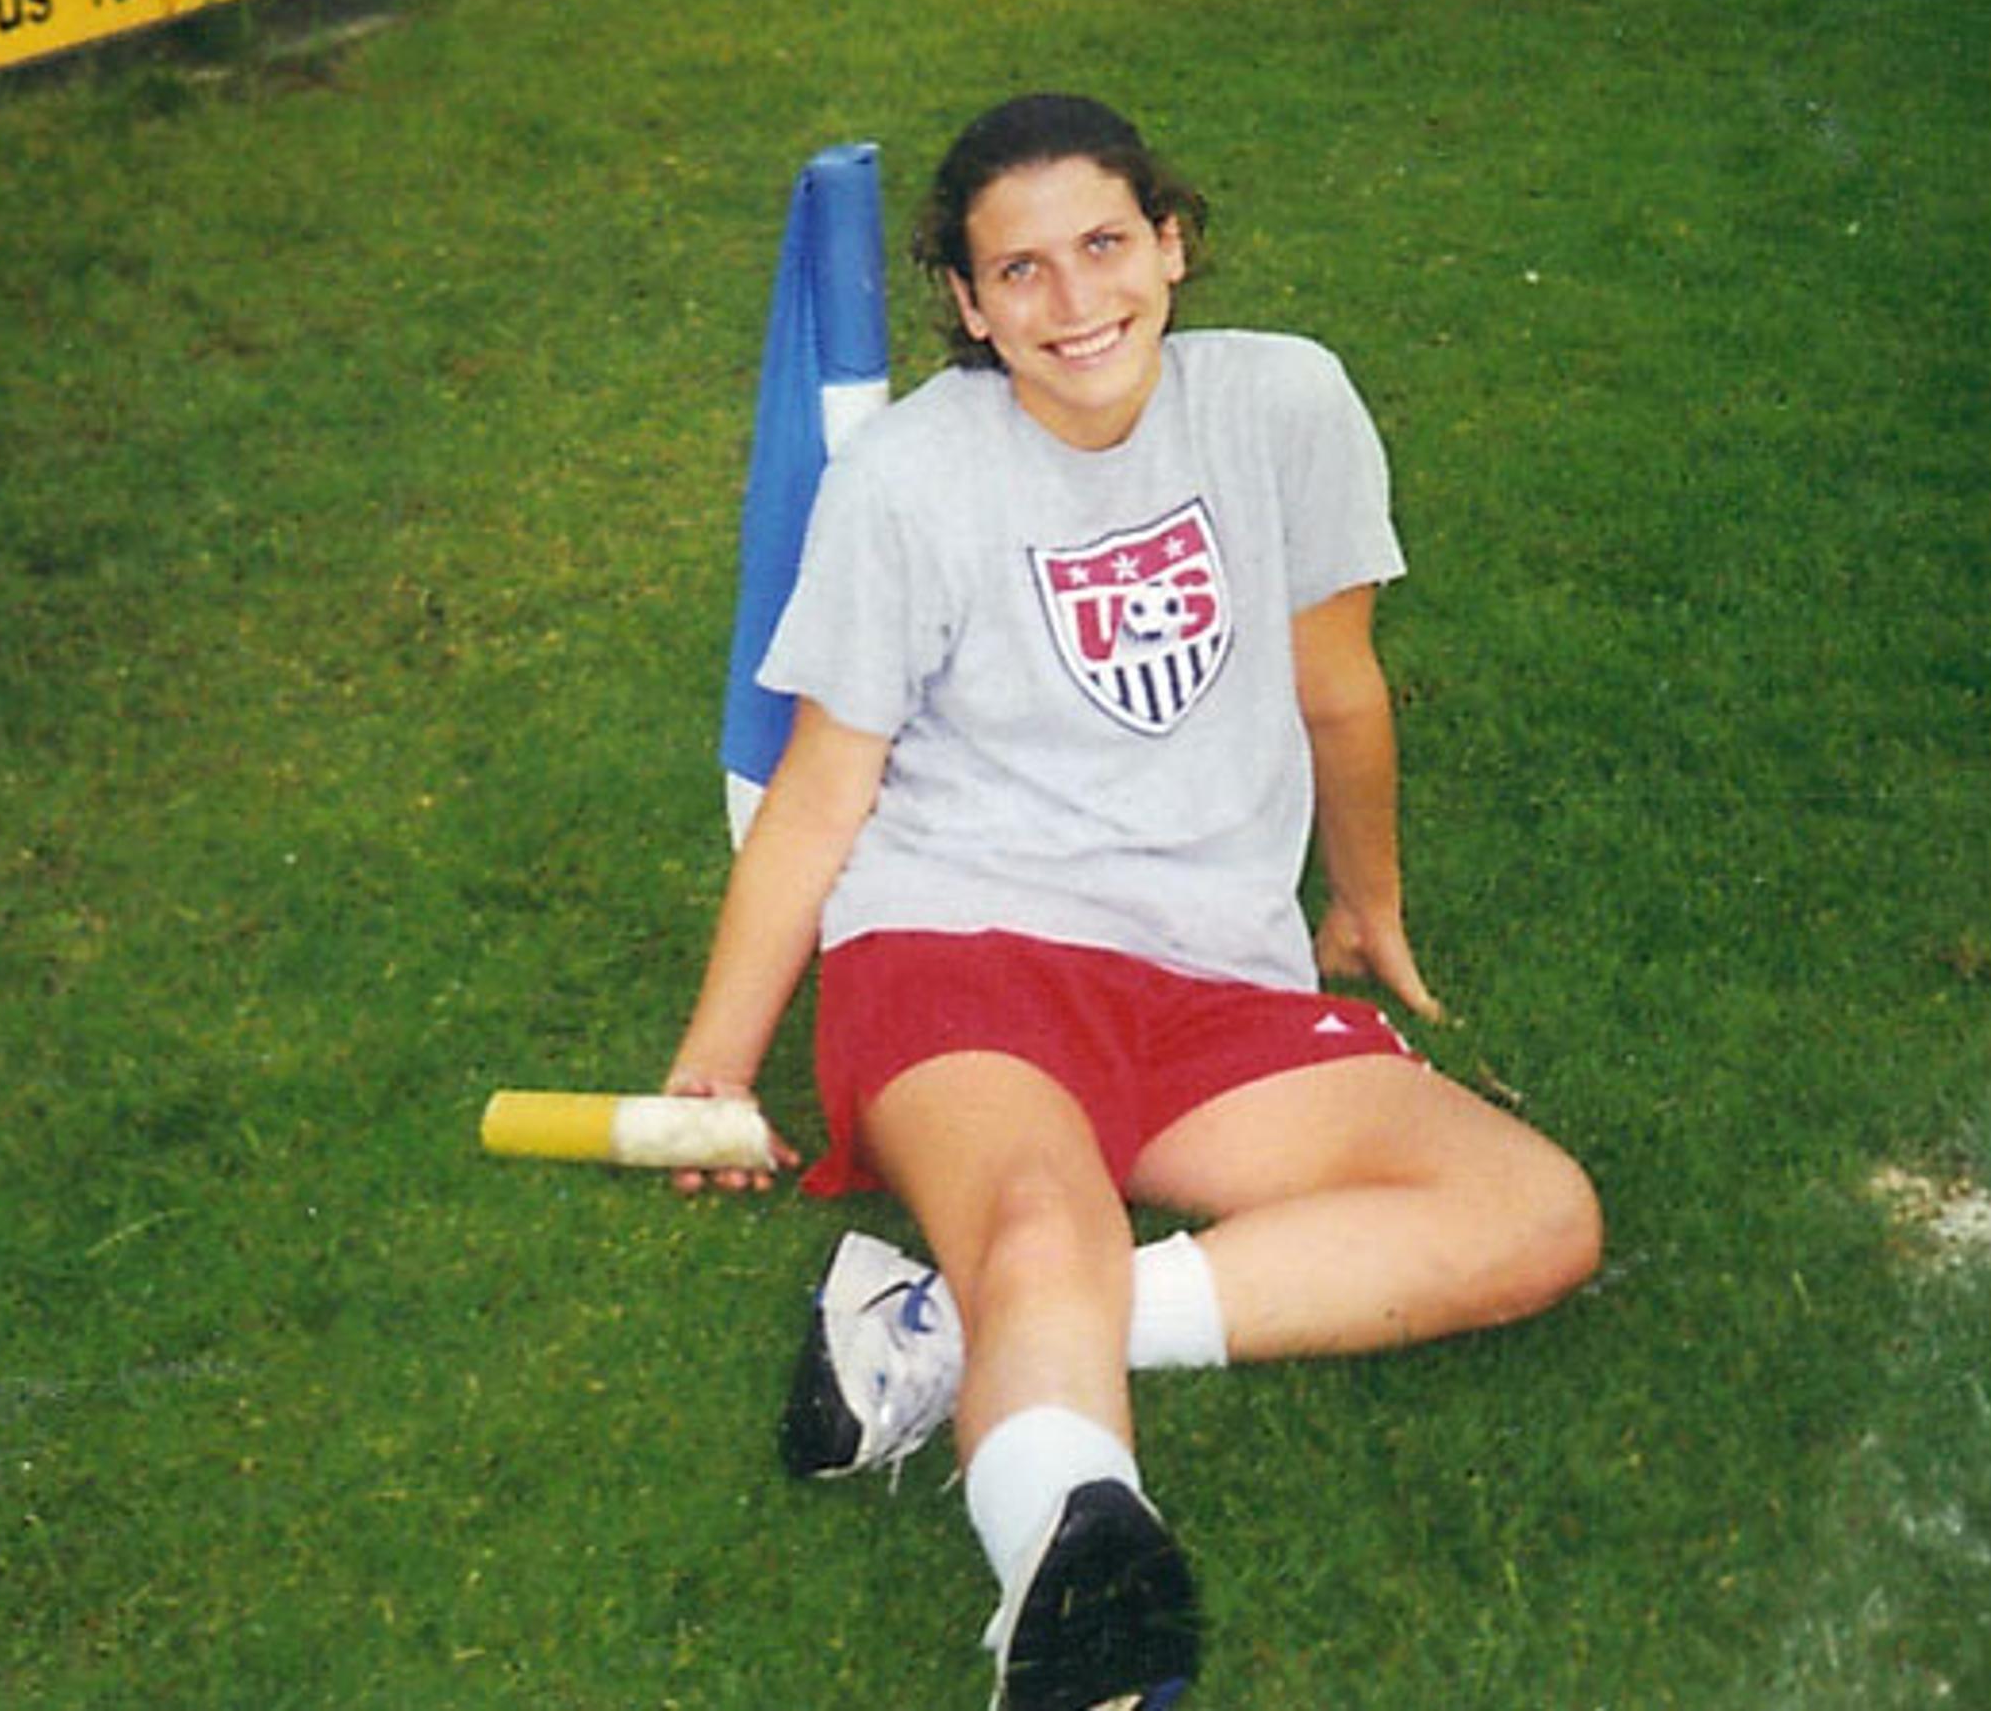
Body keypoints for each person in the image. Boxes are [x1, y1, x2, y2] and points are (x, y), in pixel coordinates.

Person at [660, 93, 1603, 1710]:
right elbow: (823, 791)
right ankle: (1076, 1569)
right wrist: (715, 1067)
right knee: (1044, 1216)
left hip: (1206, 966)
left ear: (1173, 241)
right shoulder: (907, 479)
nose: (1073, 299)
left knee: (1535, 1214)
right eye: (1016, 270)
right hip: (958, 943)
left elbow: (1339, 685)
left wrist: (1364, 903)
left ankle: (957, 1327)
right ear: (963, 302)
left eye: (1104, 244)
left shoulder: (1285, 402)